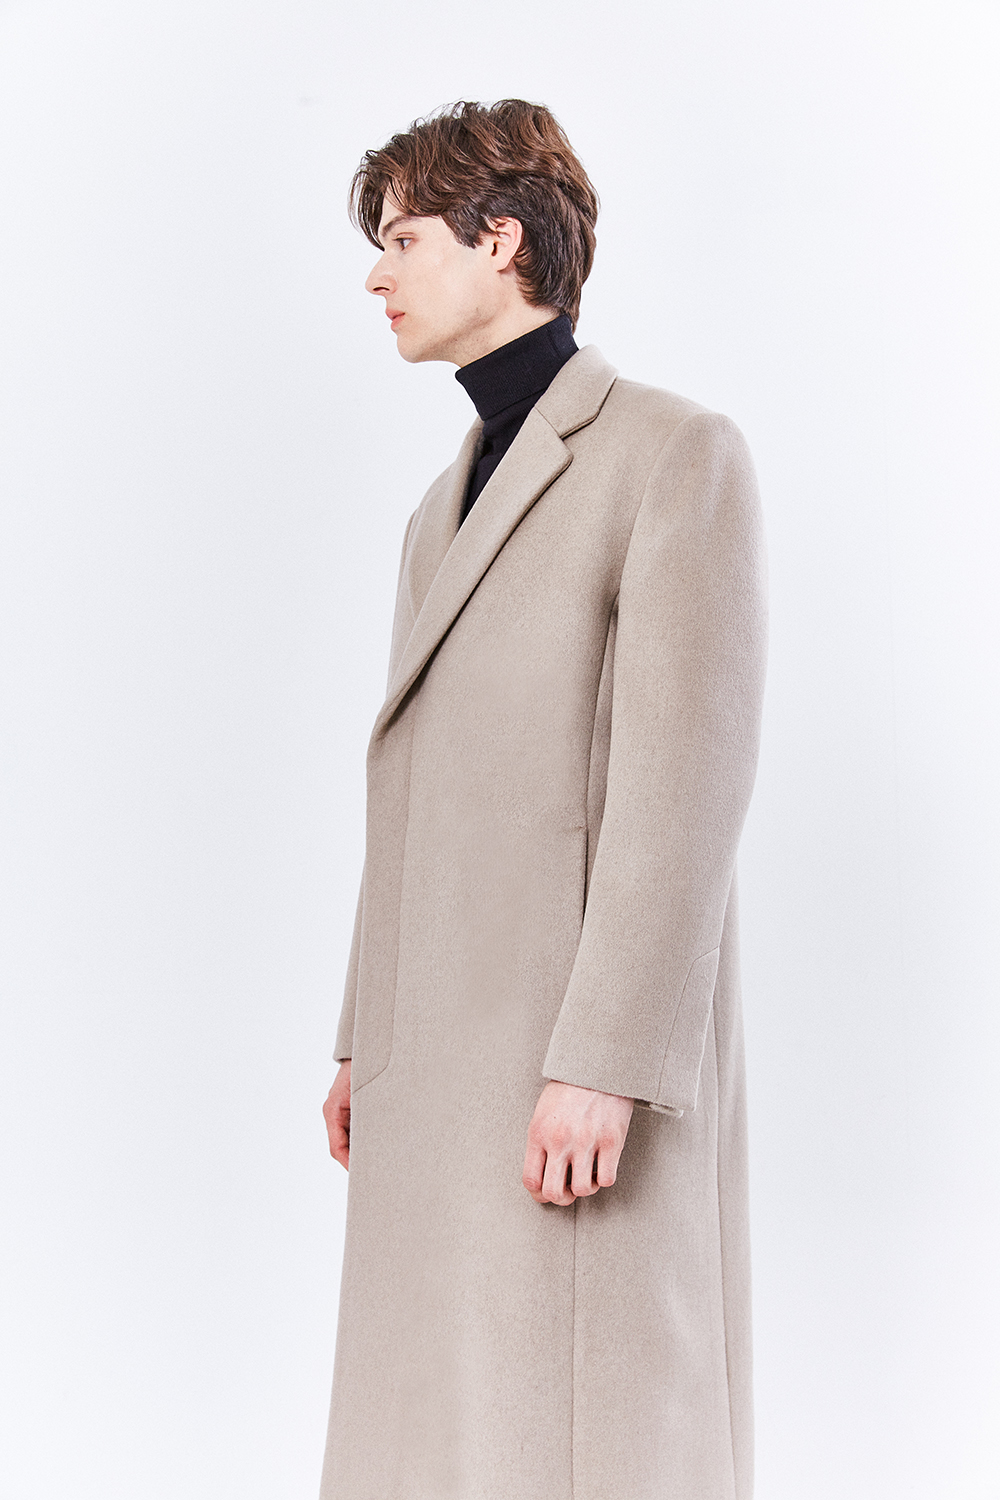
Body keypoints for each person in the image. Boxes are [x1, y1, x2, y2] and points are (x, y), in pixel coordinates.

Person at [320, 99, 767, 1500]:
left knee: (592, 1424)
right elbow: (412, 783)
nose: (378, 275)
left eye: (403, 238)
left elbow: (686, 789)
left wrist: (607, 1062)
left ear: (500, 239)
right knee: (436, 1429)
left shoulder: (672, 456)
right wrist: (362, 1035)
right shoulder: (437, 509)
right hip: (438, 1055)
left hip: (570, 1057)